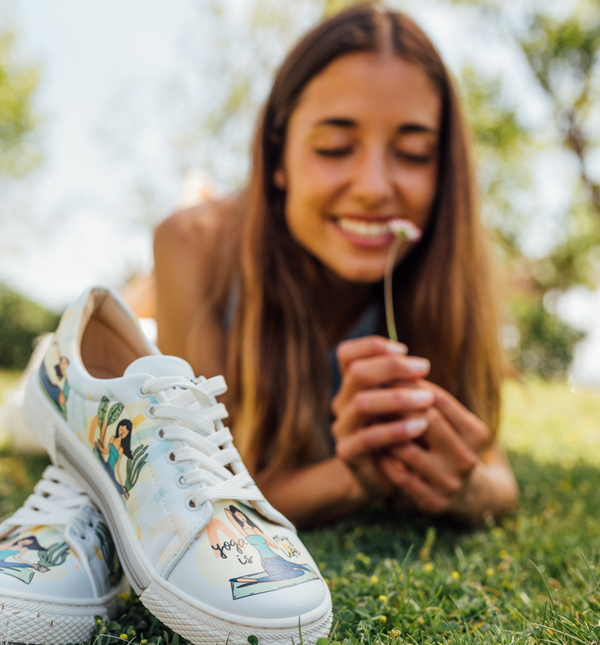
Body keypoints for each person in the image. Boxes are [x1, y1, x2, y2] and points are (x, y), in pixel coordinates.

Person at [153, 4, 519, 528]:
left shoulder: (447, 272)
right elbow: (214, 495)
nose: (374, 188)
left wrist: (464, 485)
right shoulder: (192, 243)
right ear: (276, 158)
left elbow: (496, 478)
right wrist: (354, 478)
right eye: (335, 147)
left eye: (414, 153)